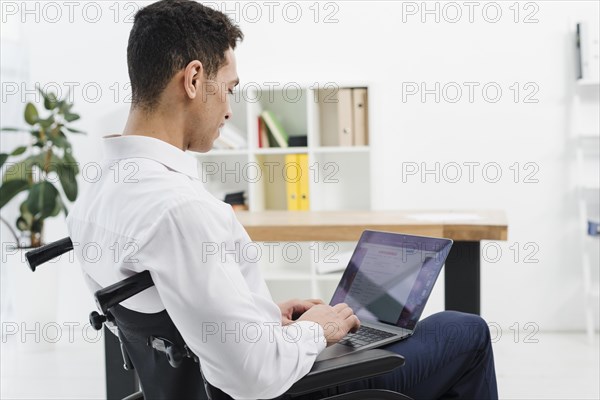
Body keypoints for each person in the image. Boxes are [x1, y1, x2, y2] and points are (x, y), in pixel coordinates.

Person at [66, 1, 498, 399]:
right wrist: (313, 331)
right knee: (465, 330)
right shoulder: (181, 209)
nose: (230, 109)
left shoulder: (97, 195)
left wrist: (265, 315)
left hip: (203, 381)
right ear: (194, 80)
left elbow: (177, 314)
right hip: (275, 391)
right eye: (230, 88)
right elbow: (250, 373)